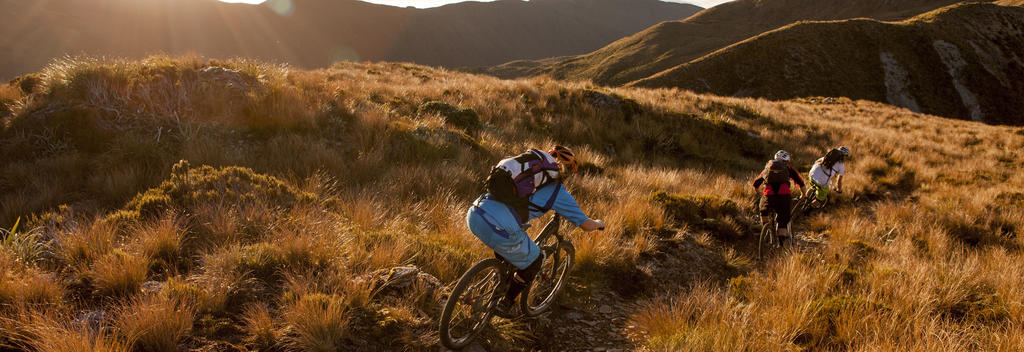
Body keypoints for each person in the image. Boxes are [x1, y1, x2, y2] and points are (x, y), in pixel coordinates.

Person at [465, 145, 605, 317]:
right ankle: (506, 303)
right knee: (535, 260)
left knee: (513, 244)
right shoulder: (557, 191)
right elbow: (585, 224)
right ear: (565, 172)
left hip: (475, 212)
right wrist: (599, 223)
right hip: (498, 225)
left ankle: (499, 278)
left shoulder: (525, 172)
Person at [752, 150, 805, 242]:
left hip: (769, 196)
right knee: (783, 221)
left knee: (763, 210)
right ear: (787, 161)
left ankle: (766, 229)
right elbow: (801, 183)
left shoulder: (768, 168)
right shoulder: (789, 169)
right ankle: (781, 245)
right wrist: (803, 194)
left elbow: (756, 184)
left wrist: (761, 193)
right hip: (784, 197)